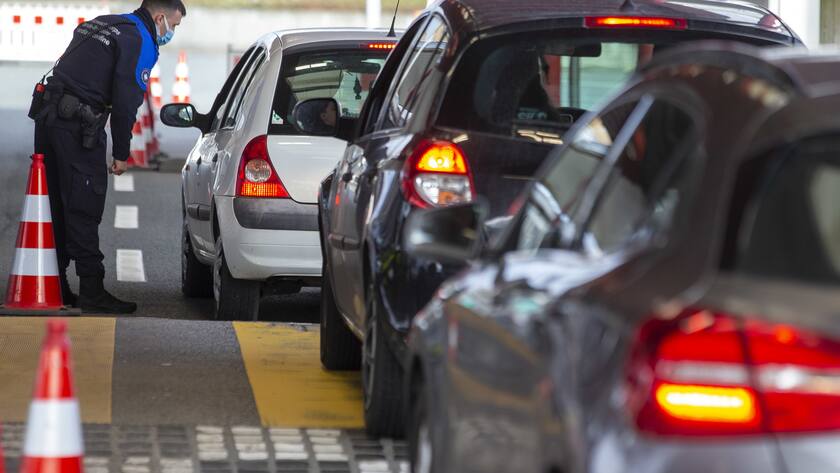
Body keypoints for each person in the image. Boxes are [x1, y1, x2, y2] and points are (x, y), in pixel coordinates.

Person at [32, 0, 185, 314]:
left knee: (54, 205)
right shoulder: (141, 40)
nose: (172, 32)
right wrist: (121, 153)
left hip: (49, 117)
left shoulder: (103, 22)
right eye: (174, 25)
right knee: (84, 205)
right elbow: (126, 103)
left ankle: (56, 285)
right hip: (77, 126)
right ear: (160, 18)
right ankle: (92, 289)